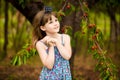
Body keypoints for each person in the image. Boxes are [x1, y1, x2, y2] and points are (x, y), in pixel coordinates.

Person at [32, 6, 72, 80]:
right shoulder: (40, 44)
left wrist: (57, 43)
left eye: (56, 20)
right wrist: (51, 46)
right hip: (49, 77)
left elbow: (67, 56)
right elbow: (49, 65)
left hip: (64, 76)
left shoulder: (65, 38)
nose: (55, 24)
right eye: (51, 22)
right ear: (43, 28)